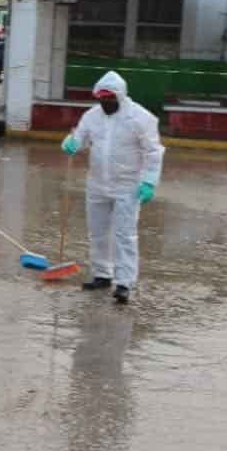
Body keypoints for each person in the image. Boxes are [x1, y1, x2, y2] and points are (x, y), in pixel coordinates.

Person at [61, 71, 165, 305]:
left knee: (124, 235)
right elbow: (80, 138)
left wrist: (149, 181)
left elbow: (153, 151)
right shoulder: (92, 116)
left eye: (109, 99)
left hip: (127, 186)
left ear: (120, 96)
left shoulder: (140, 118)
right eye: (102, 99)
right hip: (97, 183)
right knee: (97, 232)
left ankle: (124, 282)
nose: (105, 103)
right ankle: (102, 274)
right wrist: (71, 144)